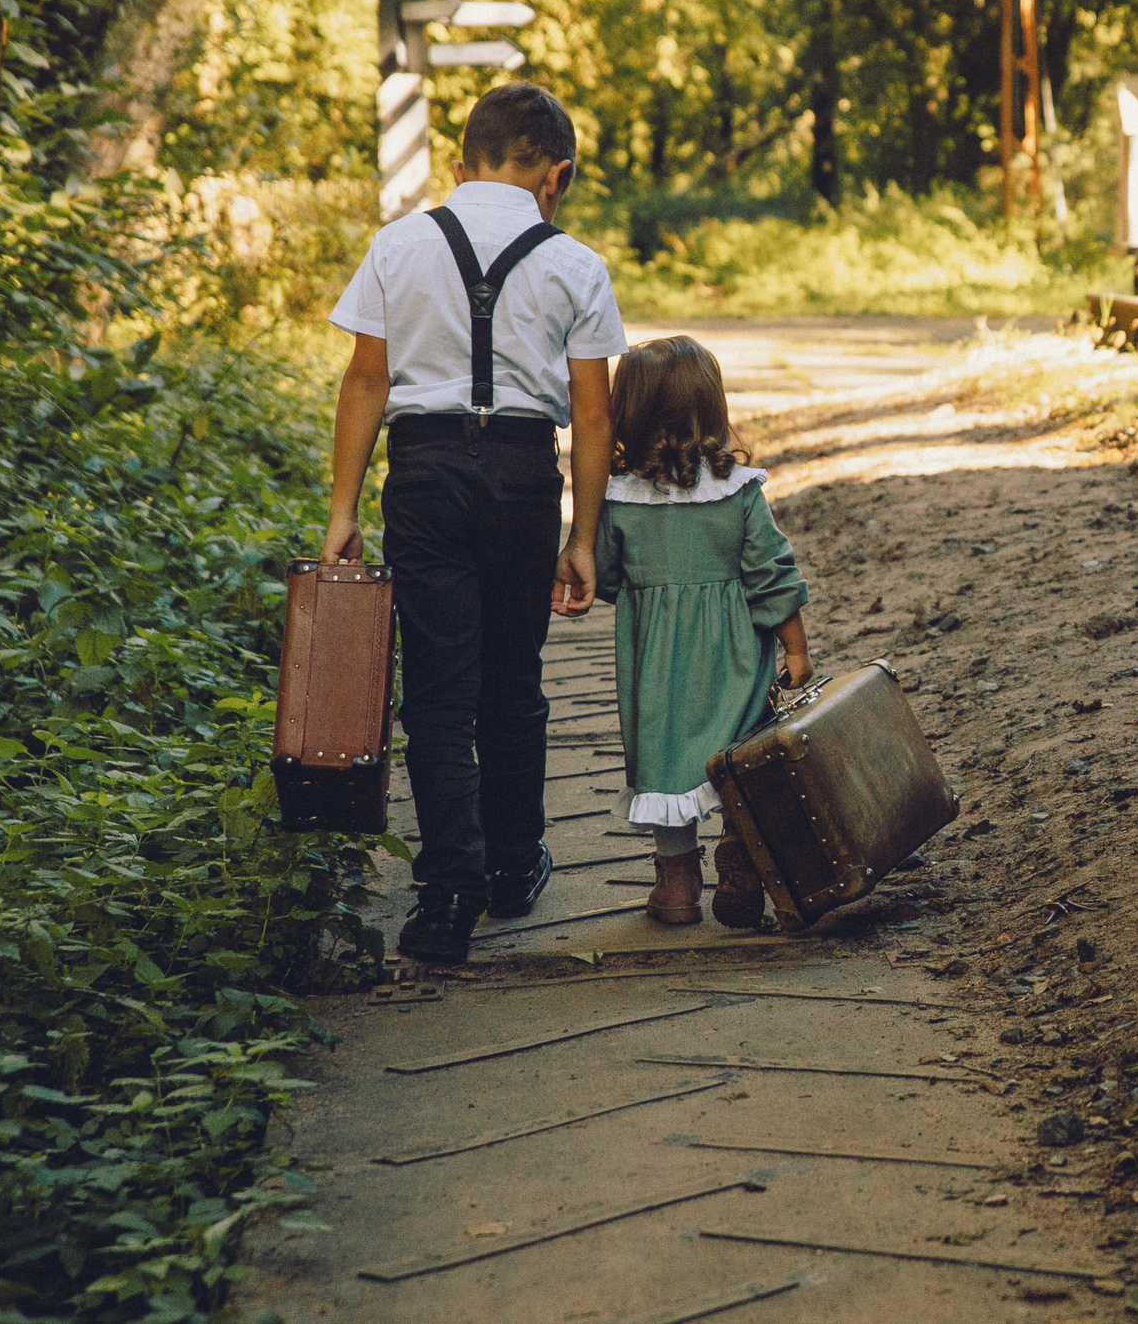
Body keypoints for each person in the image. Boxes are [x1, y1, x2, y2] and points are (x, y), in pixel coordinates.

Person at [321, 81, 625, 966]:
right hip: (525, 475)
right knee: (512, 679)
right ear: (555, 176)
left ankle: (446, 891)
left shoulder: (398, 245)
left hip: (424, 475)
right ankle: (514, 860)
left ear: (462, 164)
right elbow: (594, 413)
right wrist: (582, 536)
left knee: (440, 692)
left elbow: (366, 382)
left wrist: (343, 512)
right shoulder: (577, 264)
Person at [594, 336, 812, 927]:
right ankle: (742, 862)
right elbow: (772, 572)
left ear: (627, 411)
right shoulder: (738, 491)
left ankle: (677, 885)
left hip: (655, 661)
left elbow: (606, 579)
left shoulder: (617, 498)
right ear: (712, 405)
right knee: (740, 754)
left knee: (665, 761)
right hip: (736, 654)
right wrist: (795, 648)